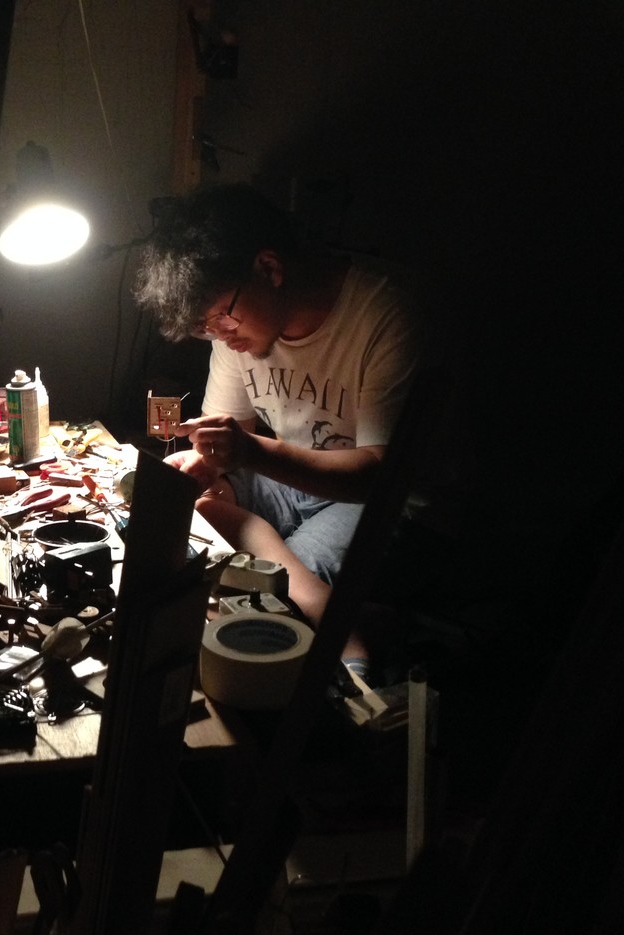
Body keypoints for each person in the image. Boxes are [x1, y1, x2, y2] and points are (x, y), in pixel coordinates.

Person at [133, 182, 423, 681]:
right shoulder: (234, 332)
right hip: (293, 474)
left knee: (264, 596)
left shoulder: (385, 316)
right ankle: (351, 616)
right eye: (206, 328)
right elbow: (231, 447)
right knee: (189, 511)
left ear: (269, 269)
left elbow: (379, 475)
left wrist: (248, 452)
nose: (220, 335)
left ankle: (350, 639)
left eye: (222, 318)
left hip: (386, 496)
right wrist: (205, 467)